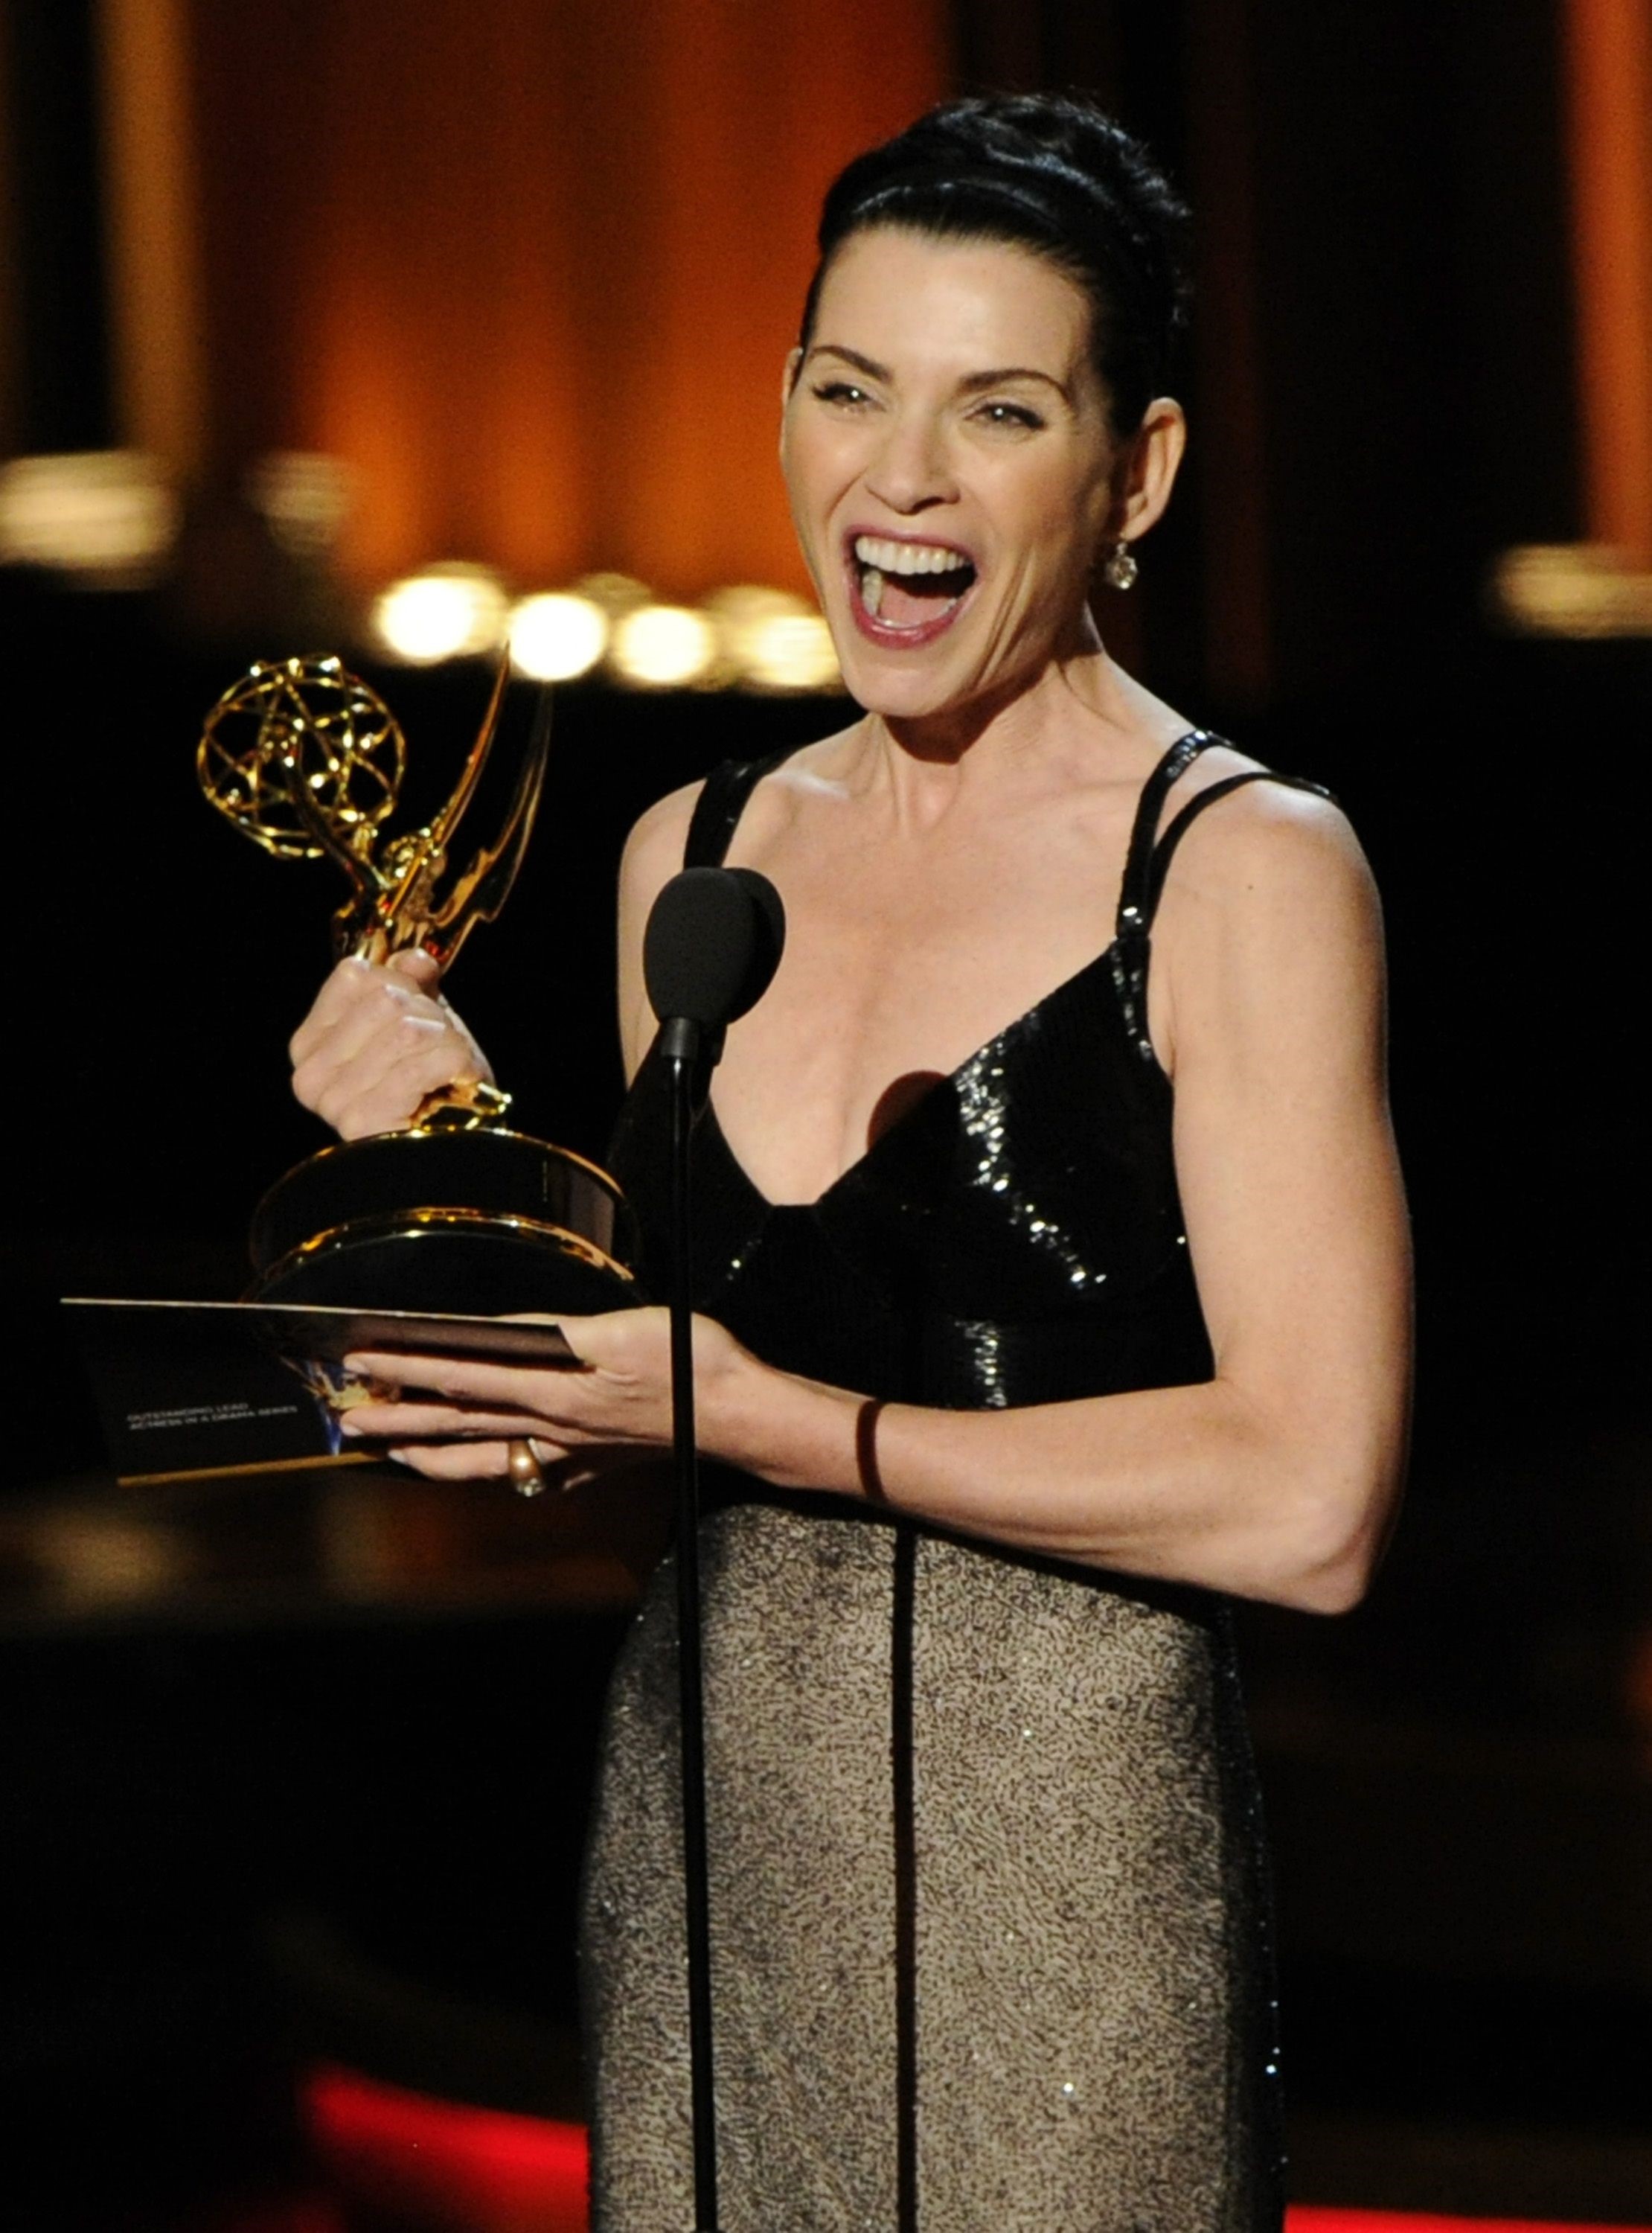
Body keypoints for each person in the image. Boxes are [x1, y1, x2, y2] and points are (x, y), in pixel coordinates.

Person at [290, 94, 1411, 2232]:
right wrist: (446, 1205)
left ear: (1133, 473)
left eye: (994, 410)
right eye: (846, 389)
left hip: (1062, 1909)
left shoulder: (1238, 869)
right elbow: (666, 1443)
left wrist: (762, 1412)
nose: (899, 478)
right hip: (706, 1864)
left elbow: (1311, 1498)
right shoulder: (684, 859)